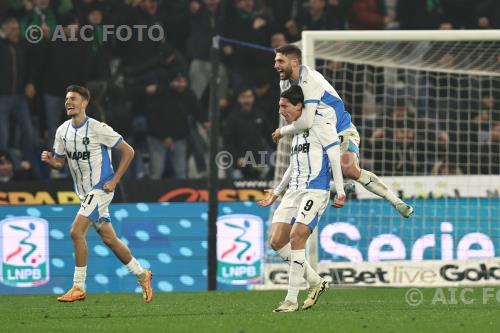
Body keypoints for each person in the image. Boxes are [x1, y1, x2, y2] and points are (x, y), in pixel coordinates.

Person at [272, 44, 414, 218]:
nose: (276, 65)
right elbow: (294, 113)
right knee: (305, 174)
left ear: (294, 62)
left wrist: (283, 130)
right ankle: (336, 187)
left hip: (340, 129)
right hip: (314, 133)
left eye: (280, 61)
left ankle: (396, 202)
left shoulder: (311, 80)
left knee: (349, 169)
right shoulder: (284, 82)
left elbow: (307, 120)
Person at [41, 85, 153, 302]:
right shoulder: (62, 131)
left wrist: (114, 180)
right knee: (110, 239)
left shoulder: (98, 128)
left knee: (76, 232)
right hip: (84, 194)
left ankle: (78, 286)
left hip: (101, 188)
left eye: (73, 98)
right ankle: (142, 274)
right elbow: (60, 163)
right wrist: (51, 161)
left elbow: (128, 151)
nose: (68, 102)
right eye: (66, 99)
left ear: (85, 103)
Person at [258, 86, 345, 313]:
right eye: (279, 106)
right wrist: (277, 192)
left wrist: (341, 189)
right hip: (294, 191)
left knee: (296, 237)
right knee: (276, 241)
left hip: (315, 190)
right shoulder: (296, 131)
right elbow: (292, 166)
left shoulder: (322, 123)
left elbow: (335, 157)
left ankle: (291, 300)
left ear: (299, 106)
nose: (281, 110)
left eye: (284, 106)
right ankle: (317, 282)